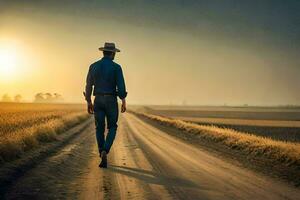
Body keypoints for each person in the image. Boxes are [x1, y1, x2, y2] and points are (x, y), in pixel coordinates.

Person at [85, 42, 127, 168]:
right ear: (113, 53)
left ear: (103, 52)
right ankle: (105, 150)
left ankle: (100, 151)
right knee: (112, 127)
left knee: (99, 128)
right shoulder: (116, 67)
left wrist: (88, 101)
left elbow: (88, 85)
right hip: (111, 100)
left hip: (98, 99)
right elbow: (121, 87)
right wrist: (123, 99)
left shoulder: (93, 66)